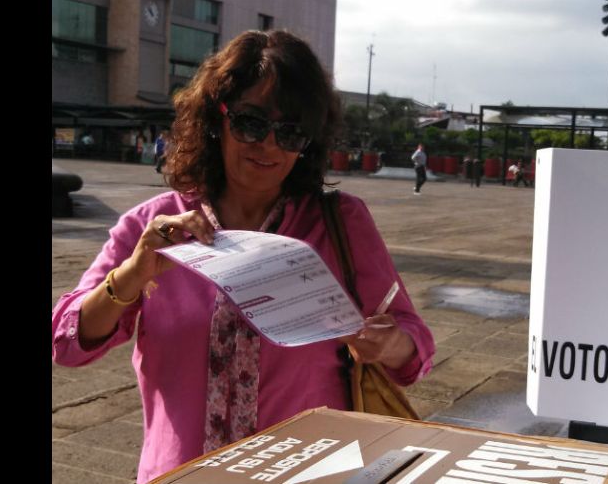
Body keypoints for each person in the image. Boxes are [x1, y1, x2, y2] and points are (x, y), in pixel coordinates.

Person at [51, 30, 435, 484]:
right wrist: (131, 275)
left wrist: (392, 344)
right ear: (217, 119)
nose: (269, 145)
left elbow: (415, 345)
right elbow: (66, 343)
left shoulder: (342, 223)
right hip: (179, 474)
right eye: (251, 123)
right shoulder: (152, 226)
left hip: (310, 474)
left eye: (291, 132)